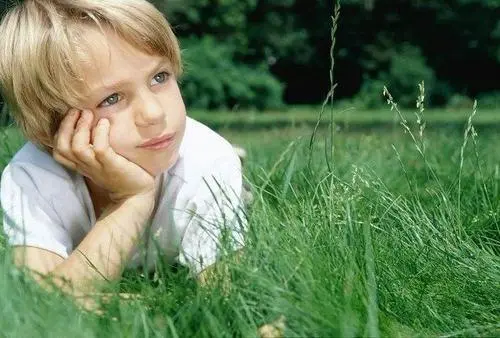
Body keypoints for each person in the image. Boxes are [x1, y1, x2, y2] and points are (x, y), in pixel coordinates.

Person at [0, 0, 246, 296]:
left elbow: (226, 300)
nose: (154, 113)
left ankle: (243, 180)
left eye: (160, 77)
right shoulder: (31, 176)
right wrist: (132, 200)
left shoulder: (208, 162)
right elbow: (42, 306)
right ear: (48, 132)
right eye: (112, 99)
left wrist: (92, 301)